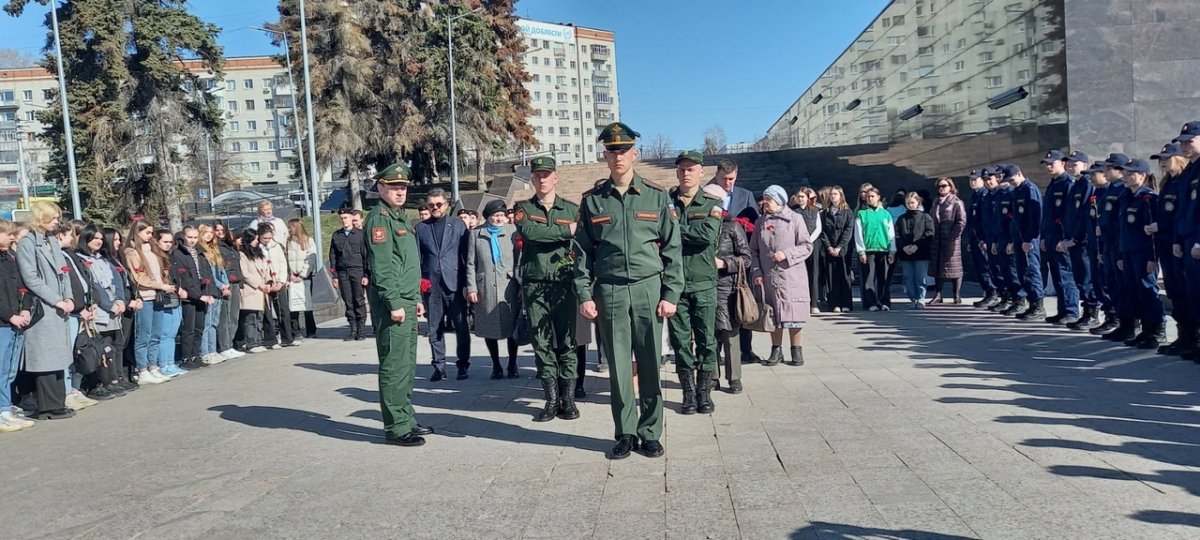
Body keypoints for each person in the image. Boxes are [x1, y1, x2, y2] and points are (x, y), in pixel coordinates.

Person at [575, 122, 683, 460]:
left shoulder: (657, 196)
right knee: (619, 367)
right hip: (610, 291)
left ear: (634, 154)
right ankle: (625, 432)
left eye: (624, 150)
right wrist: (584, 294)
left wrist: (671, 294)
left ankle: (650, 431)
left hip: (649, 288)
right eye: (612, 151)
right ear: (605, 156)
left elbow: (673, 249)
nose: (618, 156)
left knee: (651, 362)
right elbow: (581, 253)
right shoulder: (593, 202)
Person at [364, 162, 433, 447]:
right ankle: (396, 427)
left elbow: (406, 264)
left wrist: (415, 298)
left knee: (406, 364)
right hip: (393, 303)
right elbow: (382, 267)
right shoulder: (379, 219)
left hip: (406, 299)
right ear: (381, 187)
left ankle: (406, 417)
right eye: (394, 188)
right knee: (394, 365)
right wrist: (394, 302)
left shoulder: (399, 217)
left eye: (403, 188)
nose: (400, 192)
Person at [515, 156, 584, 418]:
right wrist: (567, 232)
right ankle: (551, 400)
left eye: (546, 175)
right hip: (535, 285)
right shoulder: (523, 208)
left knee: (567, 342)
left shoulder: (571, 209)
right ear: (532, 179)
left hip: (564, 283)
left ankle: (568, 399)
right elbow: (531, 234)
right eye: (537, 176)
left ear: (555, 177)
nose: (542, 179)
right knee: (541, 344)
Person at [667, 150, 723, 415]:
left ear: (702, 172)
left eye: (692, 169)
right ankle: (688, 393)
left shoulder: (713, 202)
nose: (686, 173)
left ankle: (704, 392)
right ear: (677, 172)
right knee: (679, 341)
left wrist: (675, 230)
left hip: (703, 282)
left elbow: (707, 237)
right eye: (682, 169)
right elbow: (659, 233)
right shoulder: (665, 202)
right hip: (675, 284)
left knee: (706, 340)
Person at [15, 202, 76, 419]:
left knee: (58, 357)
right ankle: (48, 407)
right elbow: (31, 278)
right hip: (43, 307)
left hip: (60, 306)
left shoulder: (51, 240)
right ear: (40, 218)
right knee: (45, 359)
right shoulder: (27, 243)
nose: (57, 222)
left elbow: (64, 272)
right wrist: (56, 300)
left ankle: (58, 402)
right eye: (53, 218)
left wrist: (68, 297)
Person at [751, 185, 815, 366]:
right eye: (764, 199)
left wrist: (787, 254)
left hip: (791, 275)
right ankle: (776, 350)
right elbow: (753, 250)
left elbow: (807, 246)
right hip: (769, 276)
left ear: (779, 200)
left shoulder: (795, 219)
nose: (765, 203)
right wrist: (757, 271)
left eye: (769, 199)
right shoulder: (760, 222)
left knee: (794, 313)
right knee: (773, 314)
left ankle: (796, 350)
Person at [708, 158, 761, 365]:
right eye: (724, 178)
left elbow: (755, 225)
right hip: (713, 262)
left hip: (738, 260)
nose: (728, 183)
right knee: (716, 315)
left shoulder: (745, 195)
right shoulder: (707, 193)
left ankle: (746, 349)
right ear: (716, 175)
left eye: (731, 179)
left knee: (742, 304)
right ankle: (714, 356)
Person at [414, 188, 471, 381]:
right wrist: (419, 285)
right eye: (431, 205)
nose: (435, 208)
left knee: (462, 327)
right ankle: (439, 366)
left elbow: (467, 257)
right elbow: (418, 258)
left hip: (455, 282)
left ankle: (463, 365)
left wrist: (467, 284)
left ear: (447, 205)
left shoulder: (458, 225)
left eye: (438, 204)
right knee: (434, 327)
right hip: (432, 285)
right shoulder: (421, 228)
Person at [466, 200, 520, 381]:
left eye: (501, 216)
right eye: (494, 216)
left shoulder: (512, 231)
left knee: (512, 327)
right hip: (485, 286)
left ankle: (512, 364)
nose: (498, 219)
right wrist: (471, 287)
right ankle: (496, 365)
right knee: (489, 327)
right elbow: (471, 263)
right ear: (487, 217)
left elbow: (519, 257)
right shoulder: (476, 234)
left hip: (508, 285)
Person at [1115, 159, 1167, 348]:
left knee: (1148, 291)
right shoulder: (1125, 196)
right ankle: (1145, 329)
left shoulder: (1148, 198)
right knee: (1134, 291)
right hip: (1128, 252)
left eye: (1130, 174)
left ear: (1142, 176)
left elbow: (1152, 232)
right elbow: (1123, 229)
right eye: (1125, 174)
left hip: (1143, 254)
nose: (1126, 177)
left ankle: (1158, 329)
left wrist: (1153, 258)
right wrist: (1121, 254)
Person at [77, 224, 129, 399]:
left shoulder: (104, 260)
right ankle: (95, 384)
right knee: (96, 348)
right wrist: (109, 305)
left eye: (100, 238)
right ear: (86, 239)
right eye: (95, 238)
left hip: (113, 307)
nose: (99, 241)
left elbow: (117, 281)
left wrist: (121, 300)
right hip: (98, 309)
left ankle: (108, 381)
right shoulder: (81, 259)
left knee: (108, 346)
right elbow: (94, 286)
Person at [709, 183, 753, 394]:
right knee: (709, 336)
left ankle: (734, 377)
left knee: (730, 334)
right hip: (705, 287)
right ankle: (712, 376)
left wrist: (725, 263)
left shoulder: (732, 226)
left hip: (727, 288)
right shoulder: (698, 224)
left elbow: (747, 258)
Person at [1151, 143, 1192, 355]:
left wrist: (1163, 226)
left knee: (1186, 291)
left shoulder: (1184, 181)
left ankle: (1192, 337)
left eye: (1167, 157)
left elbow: (1180, 215)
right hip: (1167, 243)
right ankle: (1183, 335)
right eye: (1161, 159)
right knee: (1175, 291)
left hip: (1180, 243)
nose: (1162, 162)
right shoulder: (1168, 182)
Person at [0, 217, 35, 431]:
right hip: (4, 322)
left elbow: (23, 287)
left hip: (17, 320)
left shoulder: (9, 258)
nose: (13, 237)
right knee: (1, 369)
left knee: (10, 369)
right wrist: (9, 315)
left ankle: (6, 406)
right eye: (8, 234)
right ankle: (2, 411)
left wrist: (24, 309)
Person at [124, 222, 169, 384]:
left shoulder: (153, 251)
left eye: (152, 233)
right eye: (147, 232)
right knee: (144, 335)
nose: (150, 236)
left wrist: (165, 283)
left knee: (156, 334)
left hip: (157, 296)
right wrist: (160, 285)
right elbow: (139, 277)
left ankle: (153, 366)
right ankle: (142, 369)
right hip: (144, 297)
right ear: (138, 232)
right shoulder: (132, 252)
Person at [1095, 154, 1135, 339]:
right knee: (1112, 284)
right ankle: (1121, 321)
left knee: (1124, 287)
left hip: (1120, 245)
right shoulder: (1110, 189)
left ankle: (1129, 324)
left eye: (1108, 168)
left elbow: (1120, 224)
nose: (1105, 171)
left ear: (1119, 170)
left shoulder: (1122, 190)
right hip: (1109, 244)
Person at [1039, 150, 1081, 324]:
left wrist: (1065, 238)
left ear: (1062, 163)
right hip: (1050, 236)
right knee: (1056, 275)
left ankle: (1071, 311)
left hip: (1061, 236)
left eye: (1052, 163)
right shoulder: (1053, 183)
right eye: (1047, 164)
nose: (1049, 167)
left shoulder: (1068, 183)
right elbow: (1047, 213)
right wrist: (1043, 237)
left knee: (1066, 274)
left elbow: (1069, 214)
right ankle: (1062, 310)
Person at [1061, 152, 1101, 329]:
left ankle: (1092, 313)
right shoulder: (1075, 185)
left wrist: (1076, 238)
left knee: (1087, 279)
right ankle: (1086, 312)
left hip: (1082, 242)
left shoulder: (1087, 185)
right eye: (1068, 163)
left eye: (1074, 163)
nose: (1070, 166)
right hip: (1073, 241)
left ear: (1084, 165)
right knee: (1079, 278)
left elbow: (1085, 217)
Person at [172, 226, 218, 370]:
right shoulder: (178, 254)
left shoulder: (200, 253)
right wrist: (198, 295)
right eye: (189, 237)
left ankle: (195, 354)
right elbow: (184, 278)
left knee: (199, 327)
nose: (192, 241)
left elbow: (207, 274)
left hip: (202, 295)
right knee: (189, 328)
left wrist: (210, 293)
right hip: (190, 297)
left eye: (195, 238)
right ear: (184, 237)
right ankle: (186, 357)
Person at [1174, 121, 1200, 361]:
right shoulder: (1190, 171)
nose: (1184, 145)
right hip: (1188, 240)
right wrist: (1177, 239)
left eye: (1189, 141)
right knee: (1194, 294)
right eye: (1182, 142)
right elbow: (1182, 210)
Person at [330, 208, 369, 341]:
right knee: (348, 301)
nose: (343, 220)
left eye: (346, 217)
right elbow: (333, 257)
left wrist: (366, 275)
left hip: (357, 271)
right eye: (341, 218)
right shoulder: (336, 235)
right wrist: (334, 276)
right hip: (343, 272)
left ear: (352, 218)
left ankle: (361, 329)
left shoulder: (360, 234)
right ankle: (353, 329)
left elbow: (366, 256)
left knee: (358, 300)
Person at [854, 187, 895, 312]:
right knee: (869, 278)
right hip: (869, 250)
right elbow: (859, 233)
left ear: (878, 197)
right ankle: (871, 302)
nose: (870, 198)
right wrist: (861, 250)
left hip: (883, 250)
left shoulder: (886, 214)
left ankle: (884, 301)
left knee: (884, 277)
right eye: (868, 197)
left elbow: (891, 233)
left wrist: (892, 250)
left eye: (872, 196)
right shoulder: (861, 214)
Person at [928, 177, 966, 304]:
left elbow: (961, 221)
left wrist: (953, 235)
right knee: (938, 266)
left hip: (951, 239)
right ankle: (938, 295)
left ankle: (956, 295)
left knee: (954, 266)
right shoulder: (936, 202)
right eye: (939, 186)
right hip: (937, 238)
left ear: (950, 186)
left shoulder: (956, 202)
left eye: (944, 185)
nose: (941, 188)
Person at [895, 192, 935, 308]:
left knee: (920, 277)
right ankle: (913, 299)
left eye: (912, 202)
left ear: (918, 202)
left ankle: (921, 298)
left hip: (921, 252)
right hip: (906, 253)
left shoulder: (925, 217)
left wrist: (917, 245)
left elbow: (929, 234)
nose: (910, 205)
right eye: (908, 203)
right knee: (908, 278)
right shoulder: (901, 218)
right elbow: (897, 234)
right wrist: (903, 246)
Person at [257, 224, 294, 348]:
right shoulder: (257, 247)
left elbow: (283, 263)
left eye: (269, 238)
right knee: (267, 312)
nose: (267, 241)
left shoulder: (276, 246)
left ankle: (287, 337)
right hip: (265, 283)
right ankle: (270, 340)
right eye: (264, 238)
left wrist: (281, 281)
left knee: (283, 310)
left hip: (278, 281)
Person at [965, 171, 997, 308]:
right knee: (980, 267)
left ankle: (993, 293)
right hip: (976, 238)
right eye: (970, 179)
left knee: (986, 267)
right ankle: (988, 292)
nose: (972, 182)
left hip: (983, 239)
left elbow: (984, 220)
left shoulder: (984, 195)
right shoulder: (975, 196)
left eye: (975, 179)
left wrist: (983, 239)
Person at [213, 221, 245, 358]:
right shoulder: (215, 247)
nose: (220, 232)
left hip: (236, 282)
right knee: (224, 317)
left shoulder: (229, 245)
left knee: (234, 316)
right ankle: (224, 346)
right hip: (226, 284)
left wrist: (241, 284)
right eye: (217, 230)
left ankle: (229, 344)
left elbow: (237, 266)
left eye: (222, 229)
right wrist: (223, 284)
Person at [821, 186, 855, 313]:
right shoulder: (825, 213)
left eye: (835, 194)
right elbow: (823, 232)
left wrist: (839, 247)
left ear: (841, 196)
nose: (833, 196)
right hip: (830, 249)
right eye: (831, 194)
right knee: (831, 277)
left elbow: (848, 231)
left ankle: (846, 303)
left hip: (843, 250)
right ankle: (834, 304)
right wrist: (829, 247)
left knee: (844, 276)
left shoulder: (848, 212)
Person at [237, 229, 271, 353]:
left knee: (259, 317)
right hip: (251, 289)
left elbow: (265, 268)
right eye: (255, 239)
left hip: (261, 290)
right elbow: (245, 274)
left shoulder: (259, 252)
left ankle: (258, 340)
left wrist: (268, 282)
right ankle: (251, 343)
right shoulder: (242, 254)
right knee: (250, 318)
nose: (257, 241)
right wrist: (260, 284)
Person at [791, 187, 823, 315]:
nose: (800, 199)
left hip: (813, 244)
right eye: (798, 196)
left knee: (813, 273)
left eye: (803, 196)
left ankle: (814, 303)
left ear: (808, 198)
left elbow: (818, 227)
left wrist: (809, 241)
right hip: (797, 245)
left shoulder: (815, 210)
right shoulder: (793, 211)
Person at [286, 219, 318, 340]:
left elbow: (311, 259)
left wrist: (301, 275)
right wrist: (290, 275)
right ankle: (295, 330)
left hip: (304, 277)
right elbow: (285, 259)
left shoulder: (308, 241)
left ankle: (311, 330)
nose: (289, 230)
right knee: (293, 304)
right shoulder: (287, 242)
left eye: (291, 227)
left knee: (307, 304)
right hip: (291, 277)